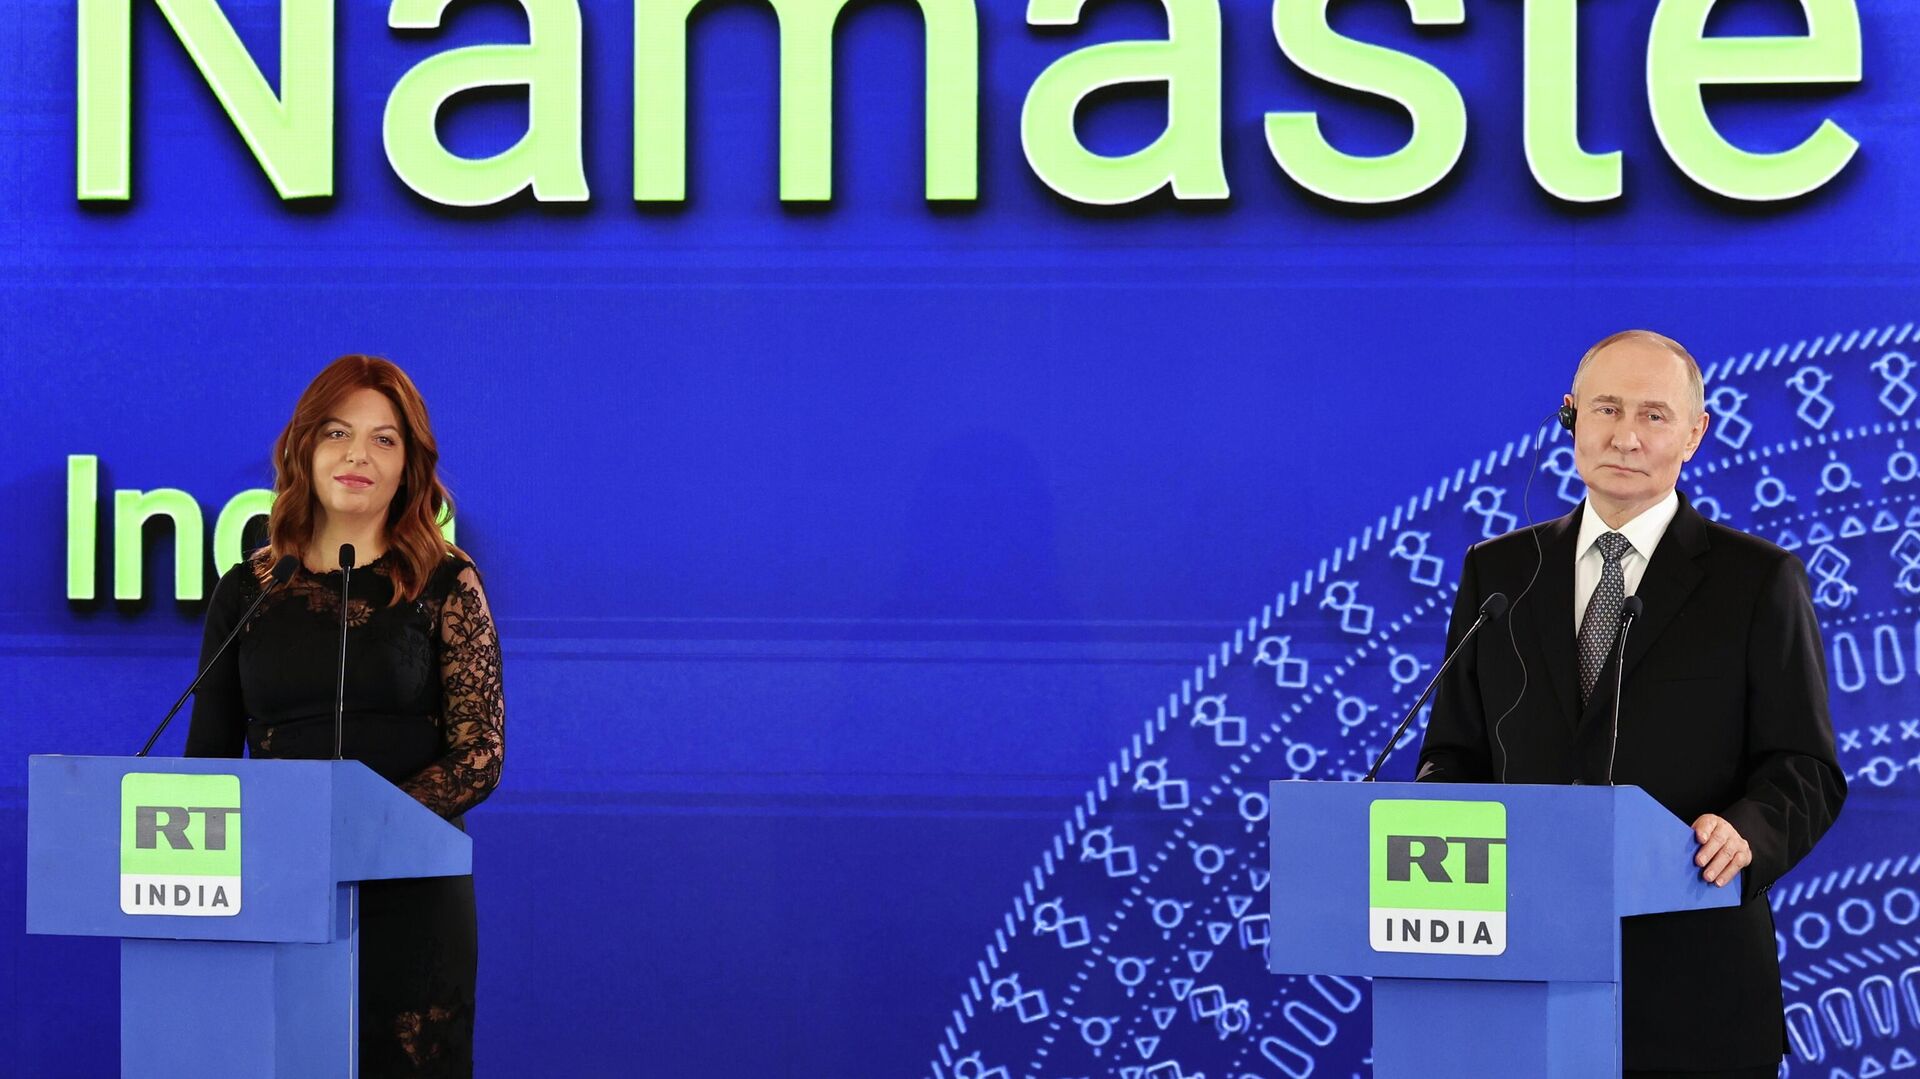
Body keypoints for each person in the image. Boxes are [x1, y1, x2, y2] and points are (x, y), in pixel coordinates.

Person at [1415, 330, 1845, 1078]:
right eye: (1606, 409)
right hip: (1518, 970)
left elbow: (1805, 767)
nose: (1626, 436)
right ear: (1571, 417)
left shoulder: (1758, 580)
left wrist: (1747, 831)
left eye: (1653, 414)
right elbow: (1453, 752)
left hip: (1694, 983)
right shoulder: (1498, 572)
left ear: (1694, 434)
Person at [186, 354, 504, 1077]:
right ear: (304, 448)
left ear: (409, 466)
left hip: (412, 891)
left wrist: (360, 828)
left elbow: (480, 752)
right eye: (337, 432)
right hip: (279, 885)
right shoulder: (249, 590)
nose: (358, 455)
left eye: (384, 439)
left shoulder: (447, 580)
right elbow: (207, 761)